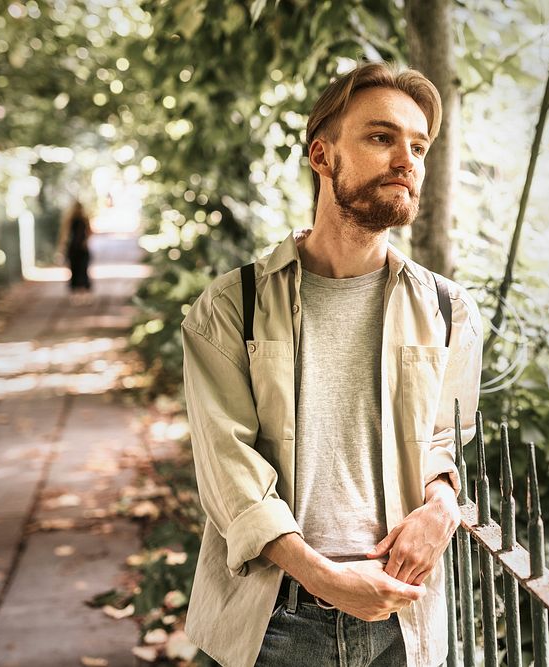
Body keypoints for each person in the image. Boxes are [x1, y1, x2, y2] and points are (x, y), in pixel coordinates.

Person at [181, 61, 483, 667]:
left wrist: (444, 505)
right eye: (382, 137)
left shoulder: (449, 310)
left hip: (403, 622)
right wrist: (324, 578)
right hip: (272, 621)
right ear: (322, 155)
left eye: (419, 146)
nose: (407, 160)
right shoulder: (231, 306)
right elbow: (228, 470)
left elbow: (444, 439)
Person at [58, 199, 92, 293]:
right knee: (78, 269)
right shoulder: (72, 219)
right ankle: (79, 291)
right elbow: (66, 233)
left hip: (77, 248)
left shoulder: (82, 219)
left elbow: (65, 234)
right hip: (76, 248)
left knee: (80, 269)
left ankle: (80, 291)